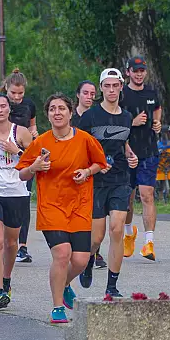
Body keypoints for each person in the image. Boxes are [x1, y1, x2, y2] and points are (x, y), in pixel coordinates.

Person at [16, 93, 107, 324]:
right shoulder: (41, 142)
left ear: (70, 112)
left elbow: (100, 163)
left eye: (61, 109)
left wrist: (86, 172)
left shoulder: (85, 139)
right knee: (62, 254)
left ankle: (64, 283)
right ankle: (57, 306)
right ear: (47, 115)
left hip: (79, 205)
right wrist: (35, 166)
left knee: (80, 260)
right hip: (52, 206)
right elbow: (21, 173)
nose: (57, 113)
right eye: (52, 109)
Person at [77, 69, 138, 297]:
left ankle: (112, 286)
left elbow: (125, 143)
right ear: (101, 88)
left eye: (115, 86)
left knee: (117, 229)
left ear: (121, 86)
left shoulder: (127, 117)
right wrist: (92, 166)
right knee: (96, 237)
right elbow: (79, 148)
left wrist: (132, 156)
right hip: (96, 181)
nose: (111, 90)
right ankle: (90, 259)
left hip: (121, 179)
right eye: (107, 86)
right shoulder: (90, 117)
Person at [0, 93, 33, 309]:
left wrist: (18, 151)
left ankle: (6, 278)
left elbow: (34, 163)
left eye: (3, 106)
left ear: (9, 109)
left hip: (16, 192)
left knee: (11, 243)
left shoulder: (20, 132)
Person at [120, 56, 162, 261]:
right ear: (128, 72)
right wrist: (132, 122)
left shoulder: (151, 92)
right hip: (127, 152)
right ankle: (129, 234)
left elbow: (157, 108)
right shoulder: (121, 94)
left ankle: (149, 243)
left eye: (142, 71)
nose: (139, 74)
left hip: (149, 151)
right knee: (128, 197)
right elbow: (115, 119)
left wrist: (157, 122)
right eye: (135, 71)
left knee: (147, 195)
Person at [2, 68, 38, 263]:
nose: (16, 97)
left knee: (23, 203)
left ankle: (22, 246)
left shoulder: (29, 105)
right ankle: (2, 243)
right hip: (0, 160)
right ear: (6, 88)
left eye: (20, 93)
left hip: (22, 158)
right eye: (13, 93)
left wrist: (33, 133)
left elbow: (32, 125)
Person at [70, 80, 106, 269]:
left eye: (93, 94)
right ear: (78, 95)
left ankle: (95, 252)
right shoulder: (71, 117)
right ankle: (75, 247)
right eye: (86, 93)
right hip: (76, 168)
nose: (89, 97)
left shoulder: (98, 116)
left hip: (96, 168)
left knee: (95, 212)